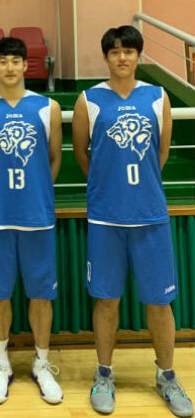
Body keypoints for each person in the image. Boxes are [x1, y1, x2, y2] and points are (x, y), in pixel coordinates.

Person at [72, 25, 193, 417]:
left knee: (159, 301)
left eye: (128, 51)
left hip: (150, 215)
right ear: (106, 57)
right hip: (106, 218)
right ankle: (104, 374)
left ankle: (167, 376)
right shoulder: (89, 100)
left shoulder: (157, 97)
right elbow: (81, 153)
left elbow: (161, 153)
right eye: (115, 51)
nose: (122, 57)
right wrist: (108, 186)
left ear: (139, 56)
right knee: (106, 299)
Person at [0, 37, 63, 405]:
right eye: (3, 61)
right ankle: (1, 362)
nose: (9, 67)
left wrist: (35, 191)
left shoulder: (48, 107)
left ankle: (41, 363)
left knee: (41, 295)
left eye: (16, 60)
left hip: (37, 217)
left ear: (26, 65)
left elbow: (54, 159)